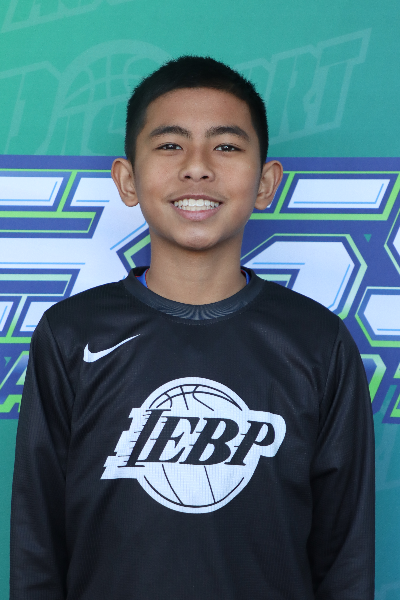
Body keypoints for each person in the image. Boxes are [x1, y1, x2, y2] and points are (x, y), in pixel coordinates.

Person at [10, 56, 374, 600]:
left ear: (265, 182)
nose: (197, 167)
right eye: (170, 145)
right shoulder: (70, 335)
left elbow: (346, 559)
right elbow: (36, 544)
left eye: (225, 146)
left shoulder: (318, 342)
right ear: (128, 180)